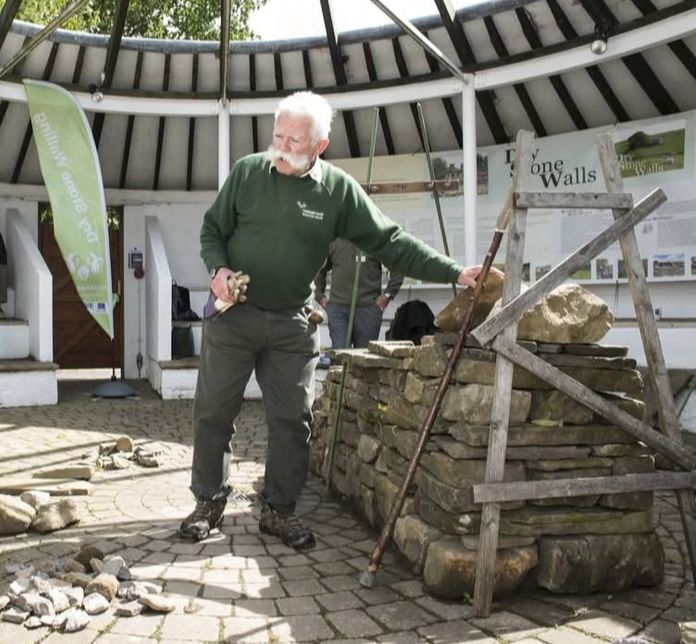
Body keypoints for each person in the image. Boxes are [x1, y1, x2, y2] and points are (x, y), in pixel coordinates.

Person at [181, 91, 487, 550]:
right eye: (278, 134)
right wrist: (218, 269)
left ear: (320, 146)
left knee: (292, 420)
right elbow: (212, 231)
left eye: (295, 141)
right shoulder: (247, 173)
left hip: (293, 323)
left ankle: (279, 510)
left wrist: (454, 272)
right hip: (233, 317)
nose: (281, 146)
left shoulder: (338, 191)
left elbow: (391, 241)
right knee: (212, 412)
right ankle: (208, 502)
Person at [314, 238, 404, 348]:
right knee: (340, 354)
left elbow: (398, 267)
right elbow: (318, 267)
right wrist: (319, 296)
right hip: (338, 309)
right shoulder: (335, 240)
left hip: (368, 309)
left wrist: (387, 295)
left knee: (363, 358)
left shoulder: (376, 239)